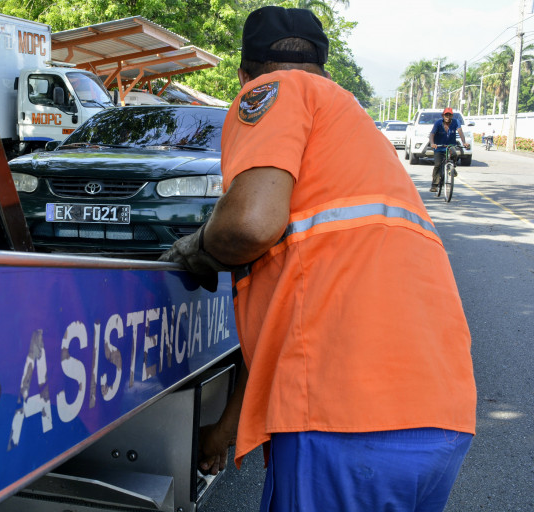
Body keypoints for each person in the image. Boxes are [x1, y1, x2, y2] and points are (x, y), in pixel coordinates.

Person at [160, 6, 476, 511]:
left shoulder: (277, 89)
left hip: (345, 417)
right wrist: (224, 432)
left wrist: (200, 249)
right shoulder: (358, 135)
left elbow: (250, 223)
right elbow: (293, 328)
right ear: (324, 69)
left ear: (244, 76)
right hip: (439, 419)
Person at [429, 107, 469, 191]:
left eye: (449, 115)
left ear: (452, 116)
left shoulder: (456, 122)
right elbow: (432, 134)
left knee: (454, 154)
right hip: (439, 147)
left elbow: (460, 132)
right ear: (443, 116)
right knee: (438, 165)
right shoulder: (438, 123)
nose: (447, 117)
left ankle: (452, 168)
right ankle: (434, 185)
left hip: (450, 146)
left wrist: (464, 142)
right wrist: (432, 143)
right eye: (446, 115)